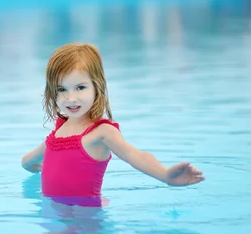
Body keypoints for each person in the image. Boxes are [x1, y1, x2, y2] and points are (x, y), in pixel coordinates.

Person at [21, 43, 204, 206]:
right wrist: (28, 165)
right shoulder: (60, 130)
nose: (71, 98)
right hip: (52, 213)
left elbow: (135, 155)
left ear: (96, 87)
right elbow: (32, 158)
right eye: (62, 89)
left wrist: (164, 175)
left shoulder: (101, 132)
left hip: (86, 217)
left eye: (80, 87)